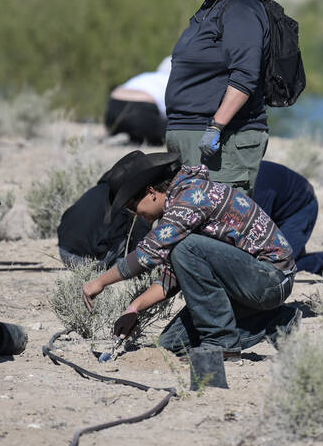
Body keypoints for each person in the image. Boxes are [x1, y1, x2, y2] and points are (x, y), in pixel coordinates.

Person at [81, 151, 299, 358]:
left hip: (272, 278)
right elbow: (171, 277)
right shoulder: (178, 204)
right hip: (245, 282)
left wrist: (99, 282)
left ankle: (222, 344)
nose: (136, 216)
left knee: (187, 248)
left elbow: (146, 254)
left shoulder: (191, 198)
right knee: (170, 346)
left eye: (132, 207)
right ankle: (277, 320)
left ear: (151, 193)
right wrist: (134, 308)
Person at [57, 160, 323, 277]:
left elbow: (258, 241)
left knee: (281, 264)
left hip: (300, 205)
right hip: (278, 199)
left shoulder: (250, 197)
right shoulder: (207, 191)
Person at [164, 0, 270, 193]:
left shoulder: (241, 9)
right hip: (190, 133)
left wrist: (216, 127)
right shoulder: (211, 8)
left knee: (218, 222)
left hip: (223, 139)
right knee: (187, 217)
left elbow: (245, 76)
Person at [252, 161, 323, 277]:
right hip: (278, 210)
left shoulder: (257, 188)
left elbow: (256, 236)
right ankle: (295, 251)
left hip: (300, 208)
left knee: (275, 270)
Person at [105, 57, 171, 145]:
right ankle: (134, 136)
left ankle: (124, 135)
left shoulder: (147, 76)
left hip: (112, 108)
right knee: (172, 130)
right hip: (140, 110)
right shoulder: (172, 81)